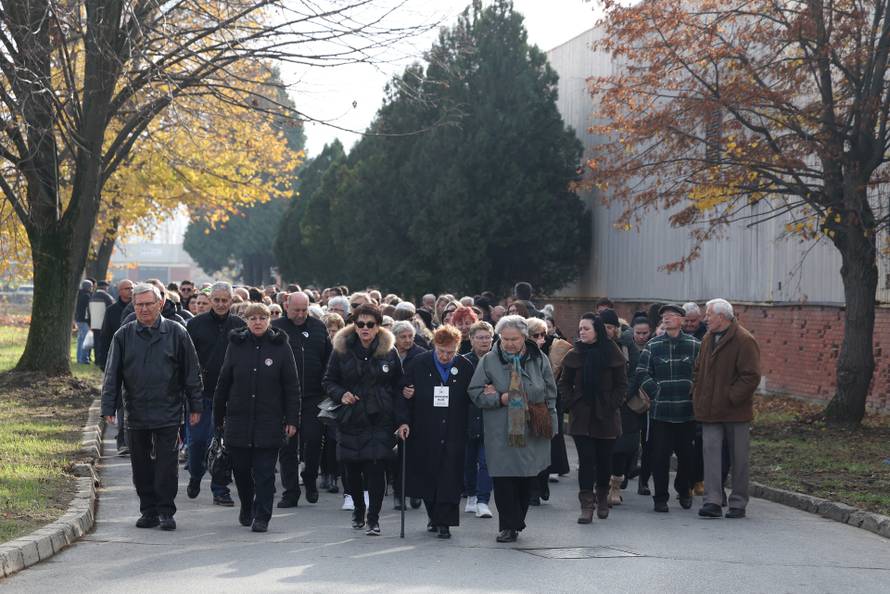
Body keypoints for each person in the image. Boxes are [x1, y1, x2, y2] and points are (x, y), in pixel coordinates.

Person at [101, 283, 203, 531]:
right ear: (133, 306)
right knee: (140, 465)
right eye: (139, 304)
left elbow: (191, 372)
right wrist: (108, 407)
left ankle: (166, 511)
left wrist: (195, 405)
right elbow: (112, 374)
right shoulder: (123, 335)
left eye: (149, 303)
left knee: (167, 465)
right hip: (135, 411)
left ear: (160, 304)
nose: (144, 309)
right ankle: (148, 510)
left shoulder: (177, 332)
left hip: (168, 410)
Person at [468, 315, 557, 543]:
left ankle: (516, 521)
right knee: (503, 478)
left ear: (524, 337)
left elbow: (550, 393)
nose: (509, 343)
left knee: (526, 478)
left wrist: (553, 422)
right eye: (505, 339)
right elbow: (476, 392)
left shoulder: (539, 358)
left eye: (514, 339)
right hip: (500, 428)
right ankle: (508, 526)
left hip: (531, 426)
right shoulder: (489, 360)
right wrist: (501, 398)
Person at [213, 303, 300, 532]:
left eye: (263, 317)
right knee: (241, 471)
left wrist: (292, 419)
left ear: (269, 320)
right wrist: (218, 416)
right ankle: (247, 506)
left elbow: (291, 386)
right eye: (253, 318)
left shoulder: (281, 347)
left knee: (264, 473)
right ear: (246, 321)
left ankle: (262, 516)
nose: (258, 322)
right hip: (239, 420)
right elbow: (224, 383)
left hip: (269, 421)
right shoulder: (236, 345)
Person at [323, 303, 408, 536]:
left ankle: (374, 518)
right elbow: (328, 381)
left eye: (370, 324)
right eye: (360, 324)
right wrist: (342, 394)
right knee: (351, 469)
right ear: (354, 325)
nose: (365, 328)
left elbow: (399, 385)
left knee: (376, 467)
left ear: (378, 326)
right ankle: (359, 509)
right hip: (350, 417)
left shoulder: (389, 351)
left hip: (380, 417)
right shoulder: (341, 349)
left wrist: (402, 418)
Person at [402, 326, 473, 539]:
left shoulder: (464, 366)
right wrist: (404, 420)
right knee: (429, 474)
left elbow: (472, 399)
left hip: (454, 429)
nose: (445, 356)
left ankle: (445, 522)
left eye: (450, 352)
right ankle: (434, 516)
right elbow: (404, 395)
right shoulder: (418, 363)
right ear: (435, 346)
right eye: (441, 351)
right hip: (425, 428)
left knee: (450, 476)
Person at [694, 299, 761, 520]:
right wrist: (697, 392)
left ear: (721, 317)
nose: (705, 319)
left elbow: (750, 376)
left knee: (739, 458)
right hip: (710, 411)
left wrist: (731, 397)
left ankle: (738, 503)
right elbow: (699, 369)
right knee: (711, 455)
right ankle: (712, 501)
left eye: (709, 315)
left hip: (735, 411)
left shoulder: (744, 340)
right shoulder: (707, 339)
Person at [558, 313, 627, 523]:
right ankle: (586, 504)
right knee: (586, 460)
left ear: (597, 330)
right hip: (582, 415)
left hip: (606, 415)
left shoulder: (613, 352)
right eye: (580, 329)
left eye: (586, 328)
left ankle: (603, 497)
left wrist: (612, 404)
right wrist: (572, 403)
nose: (582, 332)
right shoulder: (574, 353)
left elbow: (622, 384)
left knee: (604, 460)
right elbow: (563, 382)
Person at [636, 303, 701, 513]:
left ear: (682, 320)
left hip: (686, 411)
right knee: (660, 457)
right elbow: (642, 373)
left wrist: (695, 390)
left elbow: (702, 373)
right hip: (661, 412)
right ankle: (660, 497)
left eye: (672, 315)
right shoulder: (653, 345)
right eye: (664, 315)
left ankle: (684, 490)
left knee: (686, 456)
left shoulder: (694, 345)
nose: (666, 318)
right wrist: (656, 391)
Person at [185, 282, 245, 506]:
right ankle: (196, 474)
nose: (221, 304)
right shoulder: (195, 324)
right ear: (210, 300)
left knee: (224, 445)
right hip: (200, 395)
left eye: (225, 300)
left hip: (230, 396)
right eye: (217, 300)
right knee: (198, 442)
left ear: (231, 301)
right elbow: (186, 360)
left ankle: (220, 489)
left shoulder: (239, 325)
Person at [273, 292, 333, 507]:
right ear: (286, 306)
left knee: (314, 440)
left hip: (313, 396)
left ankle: (310, 476)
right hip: (284, 398)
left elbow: (329, 358)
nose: (300, 315)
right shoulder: (276, 327)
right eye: (296, 310)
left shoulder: (318, 327)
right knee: (288, 446)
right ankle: (290, 491)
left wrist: (328, 384)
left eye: (303, 310)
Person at [97, 279, 135, 454]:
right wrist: (102, 360)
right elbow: (104, 337)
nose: (130, 290)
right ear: (120, 291)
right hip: (116, 360)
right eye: (127, 288)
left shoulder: (139, 310)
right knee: (121, 403)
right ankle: (123, 441)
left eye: (132, 288)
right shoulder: (112, 311)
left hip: (132, 362)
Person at [462, 321, 494, 519]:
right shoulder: (463, 362)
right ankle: (471, 495)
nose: (484, 341)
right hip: (466, 418)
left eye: (487, 337)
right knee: (468, 461)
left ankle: (483, 501)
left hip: (490, 418)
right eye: (480, 337)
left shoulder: (498, 361)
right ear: (471, 340)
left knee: (486, 462)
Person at [75, 279, 94, 363]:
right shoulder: (87, 296)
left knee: (80, 340)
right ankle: (83, 359)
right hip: (84, 320)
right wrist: (90, 322)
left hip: (78, 319)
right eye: (91, 287)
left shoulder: (78, 294)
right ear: (89, 287)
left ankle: (79, 358)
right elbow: (88, 310)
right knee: (85, 340)